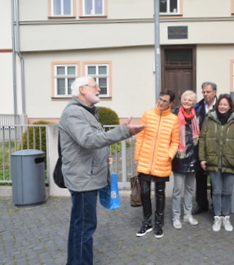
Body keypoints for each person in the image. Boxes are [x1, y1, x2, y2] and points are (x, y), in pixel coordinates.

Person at [59, 76, 145, 265]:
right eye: (95, 85)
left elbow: (89, 142)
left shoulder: (86, 112)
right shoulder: (74, 113)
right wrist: (125, 132)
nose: (99, 88)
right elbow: (88, 140)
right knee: (84, 227)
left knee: (80, 226)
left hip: (86, 176)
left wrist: (102, 156)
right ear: (82, 89)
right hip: (83, 180)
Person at [135, 90, 179, 239]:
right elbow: (140, 136)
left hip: (162, 161)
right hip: (145, 159)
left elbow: (175, 142)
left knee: (160, 194)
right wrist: (137, 156)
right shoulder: (147, 114)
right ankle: (147, 223)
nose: (161, 102)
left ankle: (158, 223)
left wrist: (169, 155)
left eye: (165, 101)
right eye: (160, 99)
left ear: (170, 103)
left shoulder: (173, 119)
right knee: (145, 193)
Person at [199, 93, 234, 232]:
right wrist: (202, 158)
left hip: (230, 162)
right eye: (221, 104)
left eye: (225, 104)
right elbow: (202, 139)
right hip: (213, 161)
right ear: (217, 105)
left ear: (230, 106)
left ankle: (226, 217)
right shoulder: (209, 120)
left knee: (227, 192)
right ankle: (217, 217)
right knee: (217, 191)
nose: (223, 107)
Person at [171, 90, 200, 229]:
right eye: (185, 99)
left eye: (190, 100)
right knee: (177, 189)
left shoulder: (197, 116)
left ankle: (187, 214)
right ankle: (176, 216)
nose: (187, 102)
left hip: (193, 156)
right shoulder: (174, 114)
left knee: (189, 188)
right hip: (179, 156)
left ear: (193, 103)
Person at [192, 81, 218, 215]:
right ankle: (202, 204)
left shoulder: (221, 105)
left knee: (215, 177)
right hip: (200, 147)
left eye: (208, 92)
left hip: (216, 147)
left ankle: (216, 204)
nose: (205, 94)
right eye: (203, 92)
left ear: (215, 92)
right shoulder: (197, 107)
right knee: (200, 177)